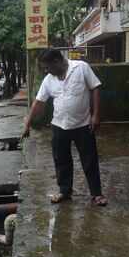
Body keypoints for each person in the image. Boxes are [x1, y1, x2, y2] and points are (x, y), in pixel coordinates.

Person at [22, 48, 107, 206]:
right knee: (61, 160)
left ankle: (97, 194)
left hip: (83, 125)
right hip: (59, 125)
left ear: (57, 61)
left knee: (89, 160)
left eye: (47, 67)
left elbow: (95, 87)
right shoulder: (49, 79)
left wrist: (96, 115)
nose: (46, 70)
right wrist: (28, 122)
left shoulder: (81, 67)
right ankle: (64, 191)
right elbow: (39, 102)